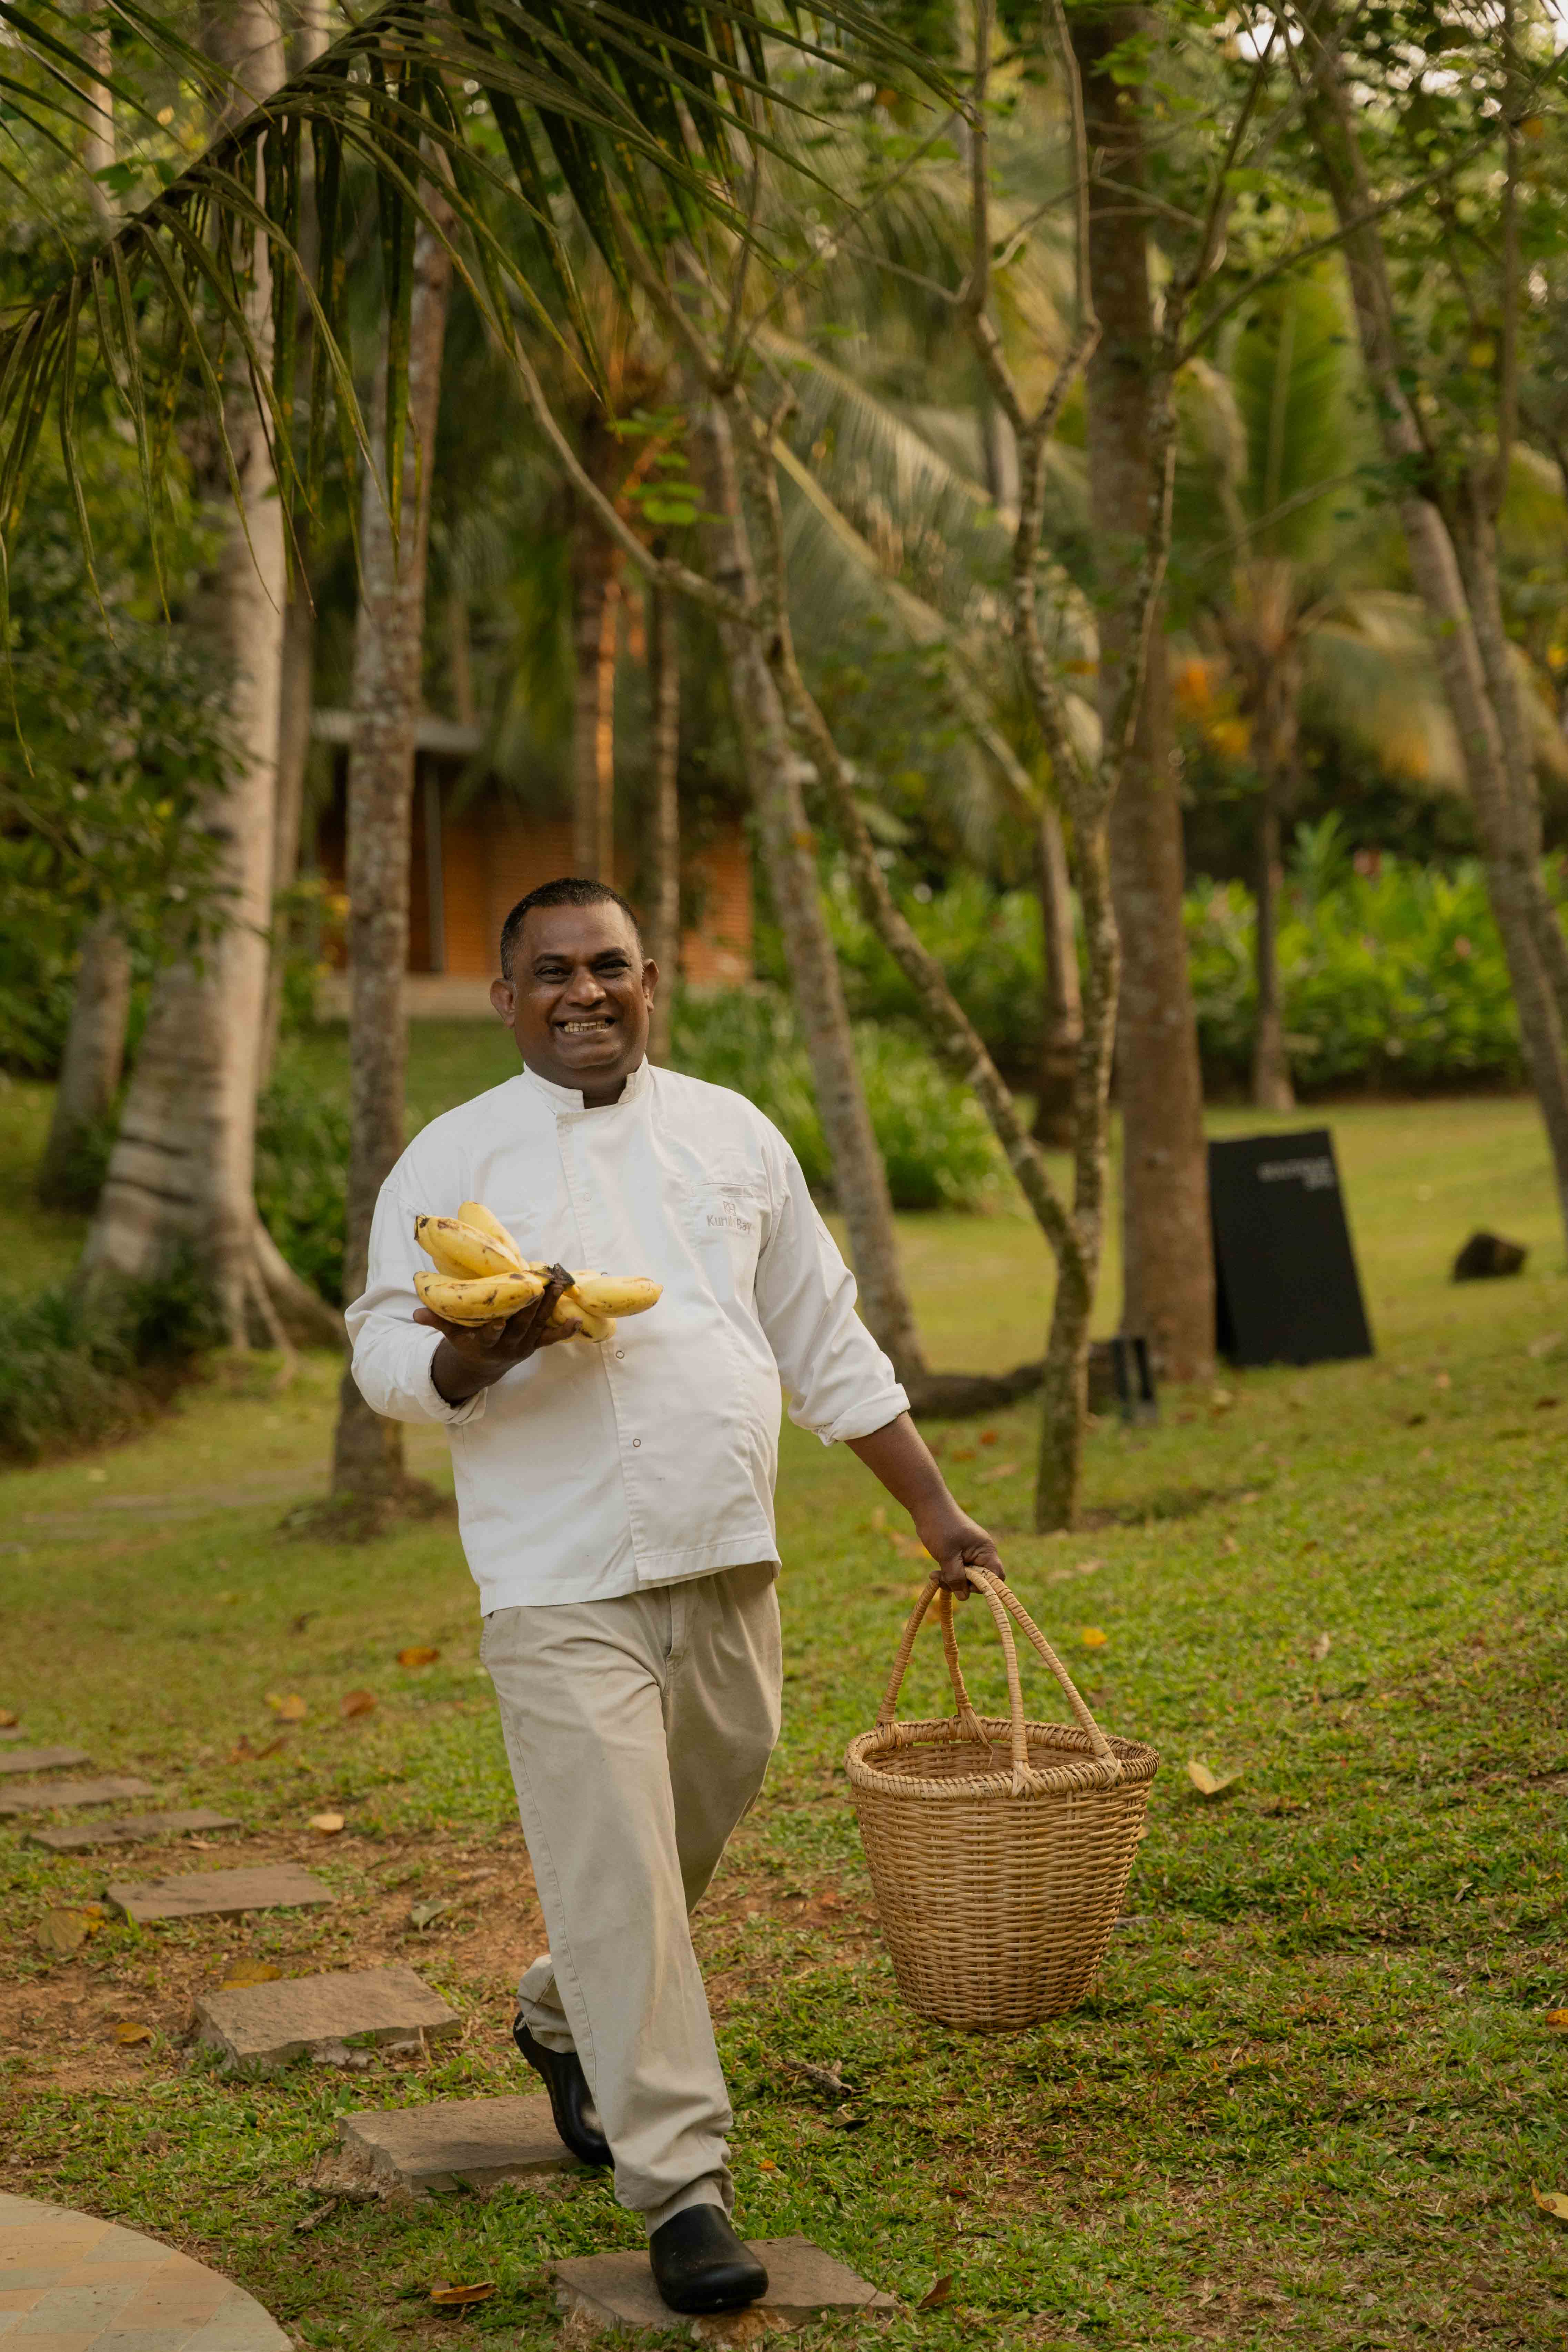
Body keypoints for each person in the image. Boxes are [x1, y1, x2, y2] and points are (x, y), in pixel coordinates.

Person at [348, 877, 1004, 2317]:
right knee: (619, 1867)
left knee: (698, 1810)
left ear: (651, 983)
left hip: (723, 1551)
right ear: (507, 996)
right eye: (552, 972)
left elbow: (822, 1335)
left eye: (610, 966)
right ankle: (683, 2186)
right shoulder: (450, 1158)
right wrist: (474, 1355)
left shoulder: (732, 1133)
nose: (583, 992)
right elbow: (383, 1352)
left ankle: (560, 2010)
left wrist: (933, 1505)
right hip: (554, 1574)